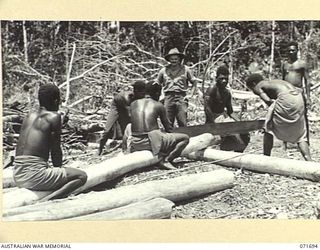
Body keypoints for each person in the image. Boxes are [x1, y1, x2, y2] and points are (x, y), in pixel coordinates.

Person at [14, 84, 88, 201]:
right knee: (82, 176)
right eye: (59, 101)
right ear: (55, 100)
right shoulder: (54, 117)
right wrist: (59, 170)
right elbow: (55, 150)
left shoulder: (29, 116)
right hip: (34, 177)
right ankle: (48, 200)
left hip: (17, 174)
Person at [124, 81, 190, 169]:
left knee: (159, 134)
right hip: (150, 142)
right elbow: (168, 128)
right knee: (185, 138)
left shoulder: (133, 104)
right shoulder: (158, 105)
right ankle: (166, 160)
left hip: (135, 142)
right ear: (157, 93)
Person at [246, 74, 312, 161]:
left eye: (251, 88)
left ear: (253, 83)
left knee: (268, 127)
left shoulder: (258, 86)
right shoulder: (272, 82)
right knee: (300, 134)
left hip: (286, 98)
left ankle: (266, 159)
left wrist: (271, 114)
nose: (253, 91)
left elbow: (268, 100)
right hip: (298, 98)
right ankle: (309, 160)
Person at [204, 65, 249, 152]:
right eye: (221, 78)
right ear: (216, 78)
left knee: (244, 131)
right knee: (232, 129)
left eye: (226, 79)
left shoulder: (226, 93)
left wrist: (241, 123)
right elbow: (207, 109)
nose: (224, 81)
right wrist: (213, 125)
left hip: (223, 116)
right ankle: (240, 147)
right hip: (214, 118)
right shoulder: (212, 90)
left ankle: (238, 151)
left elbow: (230, 111)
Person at [98, 80, 146, 155]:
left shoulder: (142, 96)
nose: (143, 94)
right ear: (135, 91)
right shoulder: (128, 97)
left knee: (126, 130)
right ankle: (100, 148)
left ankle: (126, 148)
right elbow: (131, 114)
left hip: (126, 107)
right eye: (141, 92)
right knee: (108, 129)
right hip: (117, 105)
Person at [157, 48, 197, 127]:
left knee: (182, 122)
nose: (174, 61)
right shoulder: (163, 70)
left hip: (181, 97)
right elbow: (157, 84)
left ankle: (184, 138)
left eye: (176, 59)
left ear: (179, 59)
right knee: (167, 123)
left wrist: (191, 95)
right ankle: (169, 139)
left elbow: (194, 82)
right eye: (172, 59)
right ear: (169, 59)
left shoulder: (186, 69)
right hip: (168, 98)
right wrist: (160, 96)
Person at [281, 41, 310, 144]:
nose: (291, 52)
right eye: (289, 50)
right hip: (287, 93)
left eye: (293, 50)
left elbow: (307, 81)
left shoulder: (302, 64)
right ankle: (286, 141)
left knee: (302, 116)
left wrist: (308, 97)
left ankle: (306, 140)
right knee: (286, 116)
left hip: (298, 92)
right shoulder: (285, 64)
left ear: (297, 51)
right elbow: (282, 80)